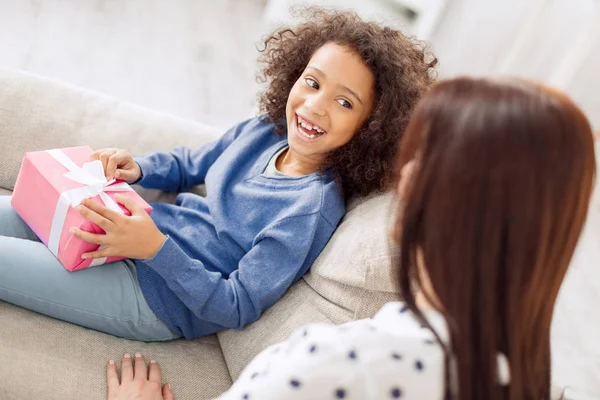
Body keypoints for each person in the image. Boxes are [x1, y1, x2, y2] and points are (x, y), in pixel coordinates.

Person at [105, 77, 596, 399]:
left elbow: (232, 303)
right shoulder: (532, 383)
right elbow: (198, 159)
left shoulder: (332, 364)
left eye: (418, 160)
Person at [0, 8, 436, 342]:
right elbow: (195, 161)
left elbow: (237, 305)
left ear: (372, 127)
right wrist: (141, 167)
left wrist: (154, 249)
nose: (316, 106)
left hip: (155, 298)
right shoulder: (265, 131)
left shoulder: (308, 212)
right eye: (312, 82)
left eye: (345, 103)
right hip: (129, 231)